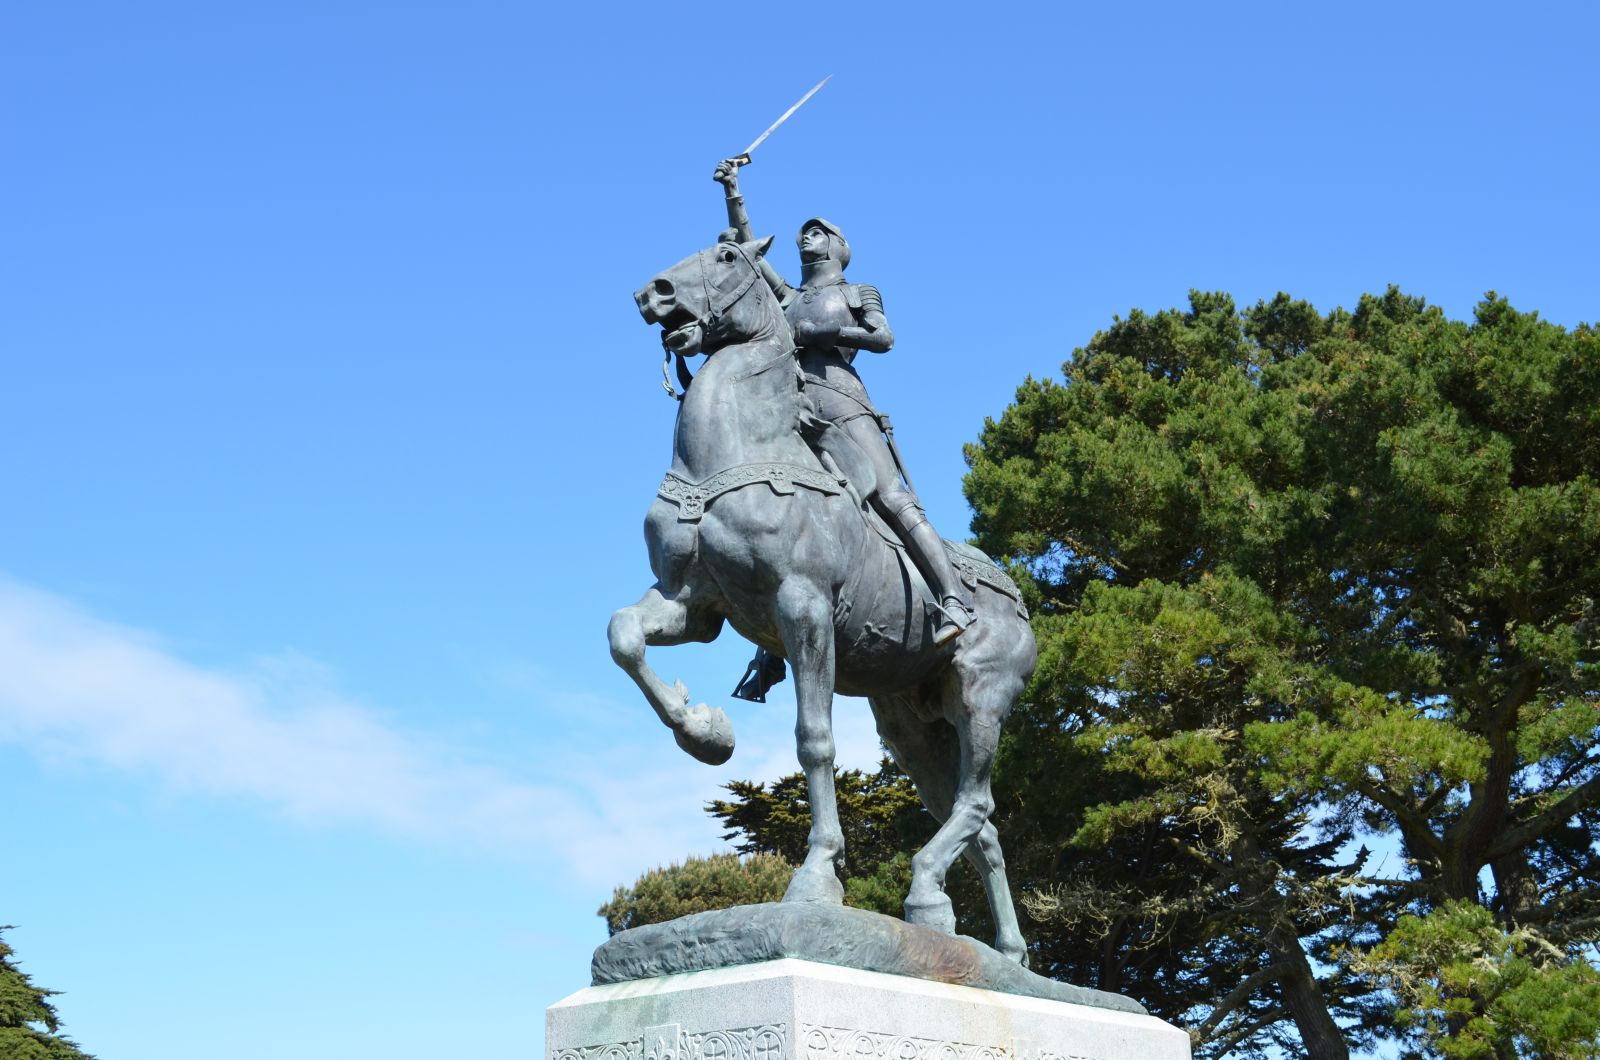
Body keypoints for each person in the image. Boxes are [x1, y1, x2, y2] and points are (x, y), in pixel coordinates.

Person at [713, 159, 974, 648]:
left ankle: (952, 597)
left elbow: (884, 337)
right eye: (803, 233)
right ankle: (775, 642)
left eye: (818, 232)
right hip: (793, 410)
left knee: (891, 498)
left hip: (843, 402)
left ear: (836, 246)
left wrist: (827, 331)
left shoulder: (858, 290)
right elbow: (749, 251)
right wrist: (734, 191)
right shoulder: (788, 296)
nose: (806, 237)